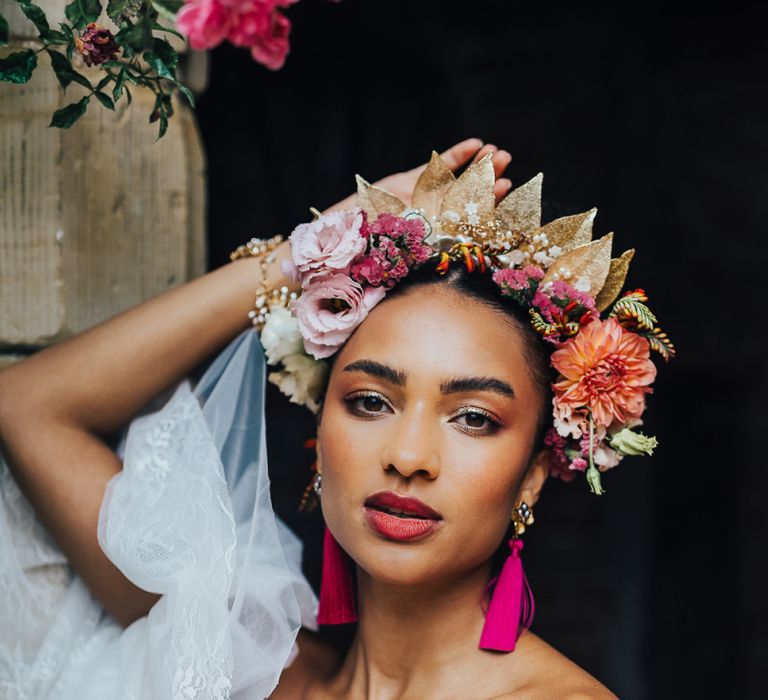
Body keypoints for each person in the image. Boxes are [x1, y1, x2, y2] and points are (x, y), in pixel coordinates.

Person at [0, 137, 669, 698]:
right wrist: (309, 252)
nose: (408, 456)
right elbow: (28, 406)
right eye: (371, 402)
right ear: (319, 438)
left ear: (534, 471)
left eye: (473, 418)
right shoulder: (241, 665)